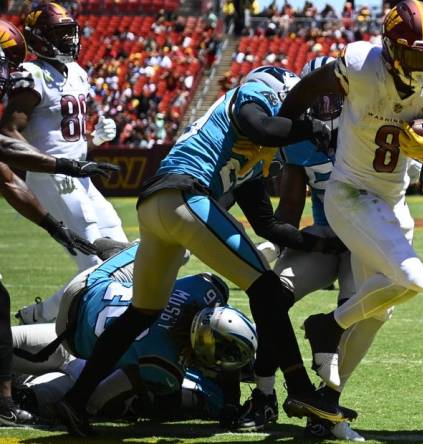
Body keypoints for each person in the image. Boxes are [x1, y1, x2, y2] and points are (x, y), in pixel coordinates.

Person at [53, 65, 343, 437]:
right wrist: (307, 128)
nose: (303, 113)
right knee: (267, 288)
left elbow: (269, 226)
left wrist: (319, 243)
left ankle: (75, 401)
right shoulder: (256, 96)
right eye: (299, 105)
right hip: (183, 193)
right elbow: (261, 126)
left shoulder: (253, 156)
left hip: (158, 208)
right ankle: (301, 390)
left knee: (140, 313)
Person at [278, 0, 423, 395]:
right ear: (388, 47)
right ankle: (327, 325)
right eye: (410, 54)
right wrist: (284, 138)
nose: (420, 66)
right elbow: (301, 95)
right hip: (350, 192)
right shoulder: (360, 66)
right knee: (412, 279)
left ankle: (327, 404)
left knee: (379, 309)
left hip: (392, 201)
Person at [243, 56, 368, 442]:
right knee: (270, 295)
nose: (327, 105)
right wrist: (286, 247)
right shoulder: (300, 138)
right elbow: (291, 208)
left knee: (353, 315)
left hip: (365, 241)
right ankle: (263, 392)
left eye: (333, 96)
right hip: (326, 237)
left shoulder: (370, 129)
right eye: (318, 97)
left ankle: (326, 407)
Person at [10, 242, 256, 425]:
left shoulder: (206, 289)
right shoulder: (169, 368)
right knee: (112, 381)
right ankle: (27, 393)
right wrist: (231, 403)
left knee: (173, 246)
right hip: (81, 347)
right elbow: (162, 409)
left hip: (85, 298)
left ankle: (122, 249)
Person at [1, 3, 127, 273]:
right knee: (96, 261)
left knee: (120, 246)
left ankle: (36, 315)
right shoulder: (33, 74)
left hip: (77, 173)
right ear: (39, 38)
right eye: (60, 33)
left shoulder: (78, 73)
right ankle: (39, 315)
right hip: (51, 175)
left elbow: (71, 144)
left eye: (70, 32)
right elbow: (8, 132)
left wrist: (96, 140)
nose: (69, 39)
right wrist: (55, 163)